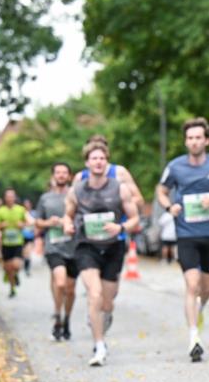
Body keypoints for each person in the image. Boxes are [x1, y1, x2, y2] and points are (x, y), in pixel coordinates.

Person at [155, 117, 209, 362]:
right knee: (192, 285)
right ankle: (194, 337)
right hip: (186, 234)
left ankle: (199, 313)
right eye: (190, 138)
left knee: (206, 288)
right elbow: (161, 191)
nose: (194, 142)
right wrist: (170, 206)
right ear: (186, 141)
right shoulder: (175, 166)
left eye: (198, 138)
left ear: (206, 140)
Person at [64, 142, 139, 367]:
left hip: (113, 247)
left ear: (107, 163)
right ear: (87, 163)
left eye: (102, 159)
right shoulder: (76, 189)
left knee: (107, 301)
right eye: (94, 158)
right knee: (94, 294)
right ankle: (99, 345)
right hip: (86, 246)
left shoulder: (120, 188)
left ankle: (100, 320)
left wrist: (121, 228)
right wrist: (68, 225)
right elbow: (67, 216)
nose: (98, 162)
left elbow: (135, 219)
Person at [36, 163, 77, 341]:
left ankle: (67, 319)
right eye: (58, 172)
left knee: (70, 288)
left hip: (74, 247)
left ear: (69, 176)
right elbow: (37, 222)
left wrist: (70, 223)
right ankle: (57, 316)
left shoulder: (76, 195)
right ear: (53, 175)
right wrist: (49, 223)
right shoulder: (45, 198)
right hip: (53, 246)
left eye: (64, 173)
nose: (61, 175)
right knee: (60, 283)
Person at [0, 190, 30, 297]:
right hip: (6, 243)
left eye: (12, 196)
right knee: (8, 268)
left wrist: (22, 224)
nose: (10, 198)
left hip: (17, 242)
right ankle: (12, 288)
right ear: (5, 198)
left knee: (16, 265)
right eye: (8, 196)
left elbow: (28, 223)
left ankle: (16, 275)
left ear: (15, 198)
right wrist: (1, 225)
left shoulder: (21, 209)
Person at [21, 199, 36, 276]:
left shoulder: (34, 213)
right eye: (25, 204)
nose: (27, 205)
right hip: (22, 236)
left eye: (28, 204)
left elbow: (36, 223)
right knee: (24, 253)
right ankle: (24, 265)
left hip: (30, 236)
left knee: (28, 253)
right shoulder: (21, 213)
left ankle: (27, 269)